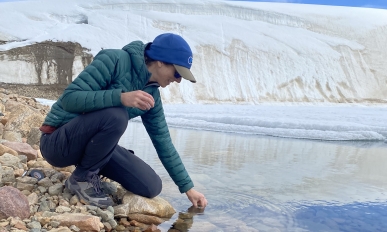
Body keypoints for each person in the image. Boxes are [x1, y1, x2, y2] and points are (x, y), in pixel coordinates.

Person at [39, 33, 208, 209]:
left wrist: (188, 188)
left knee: (151, 186)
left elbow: (163, 141)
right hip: (57, 142)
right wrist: (120, 97)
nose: (178, 80)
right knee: (117, 115)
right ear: (161, 61)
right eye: (177, 73)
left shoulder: (152, 95)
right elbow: (69, 99)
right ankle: (82, 178)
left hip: (91, 145)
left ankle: (93, 170)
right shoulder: (115, 60)